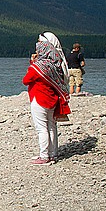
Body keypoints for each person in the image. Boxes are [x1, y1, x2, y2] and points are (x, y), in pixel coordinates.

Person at [22, 33, 70, 165]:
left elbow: (26, 80)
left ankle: (44, 155)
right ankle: (53, 153)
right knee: (51, 126)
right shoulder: (55, 64)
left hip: (39, 99)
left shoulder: (39, 66)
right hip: (52, 99)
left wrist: (33, 63)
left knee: (41, 128)